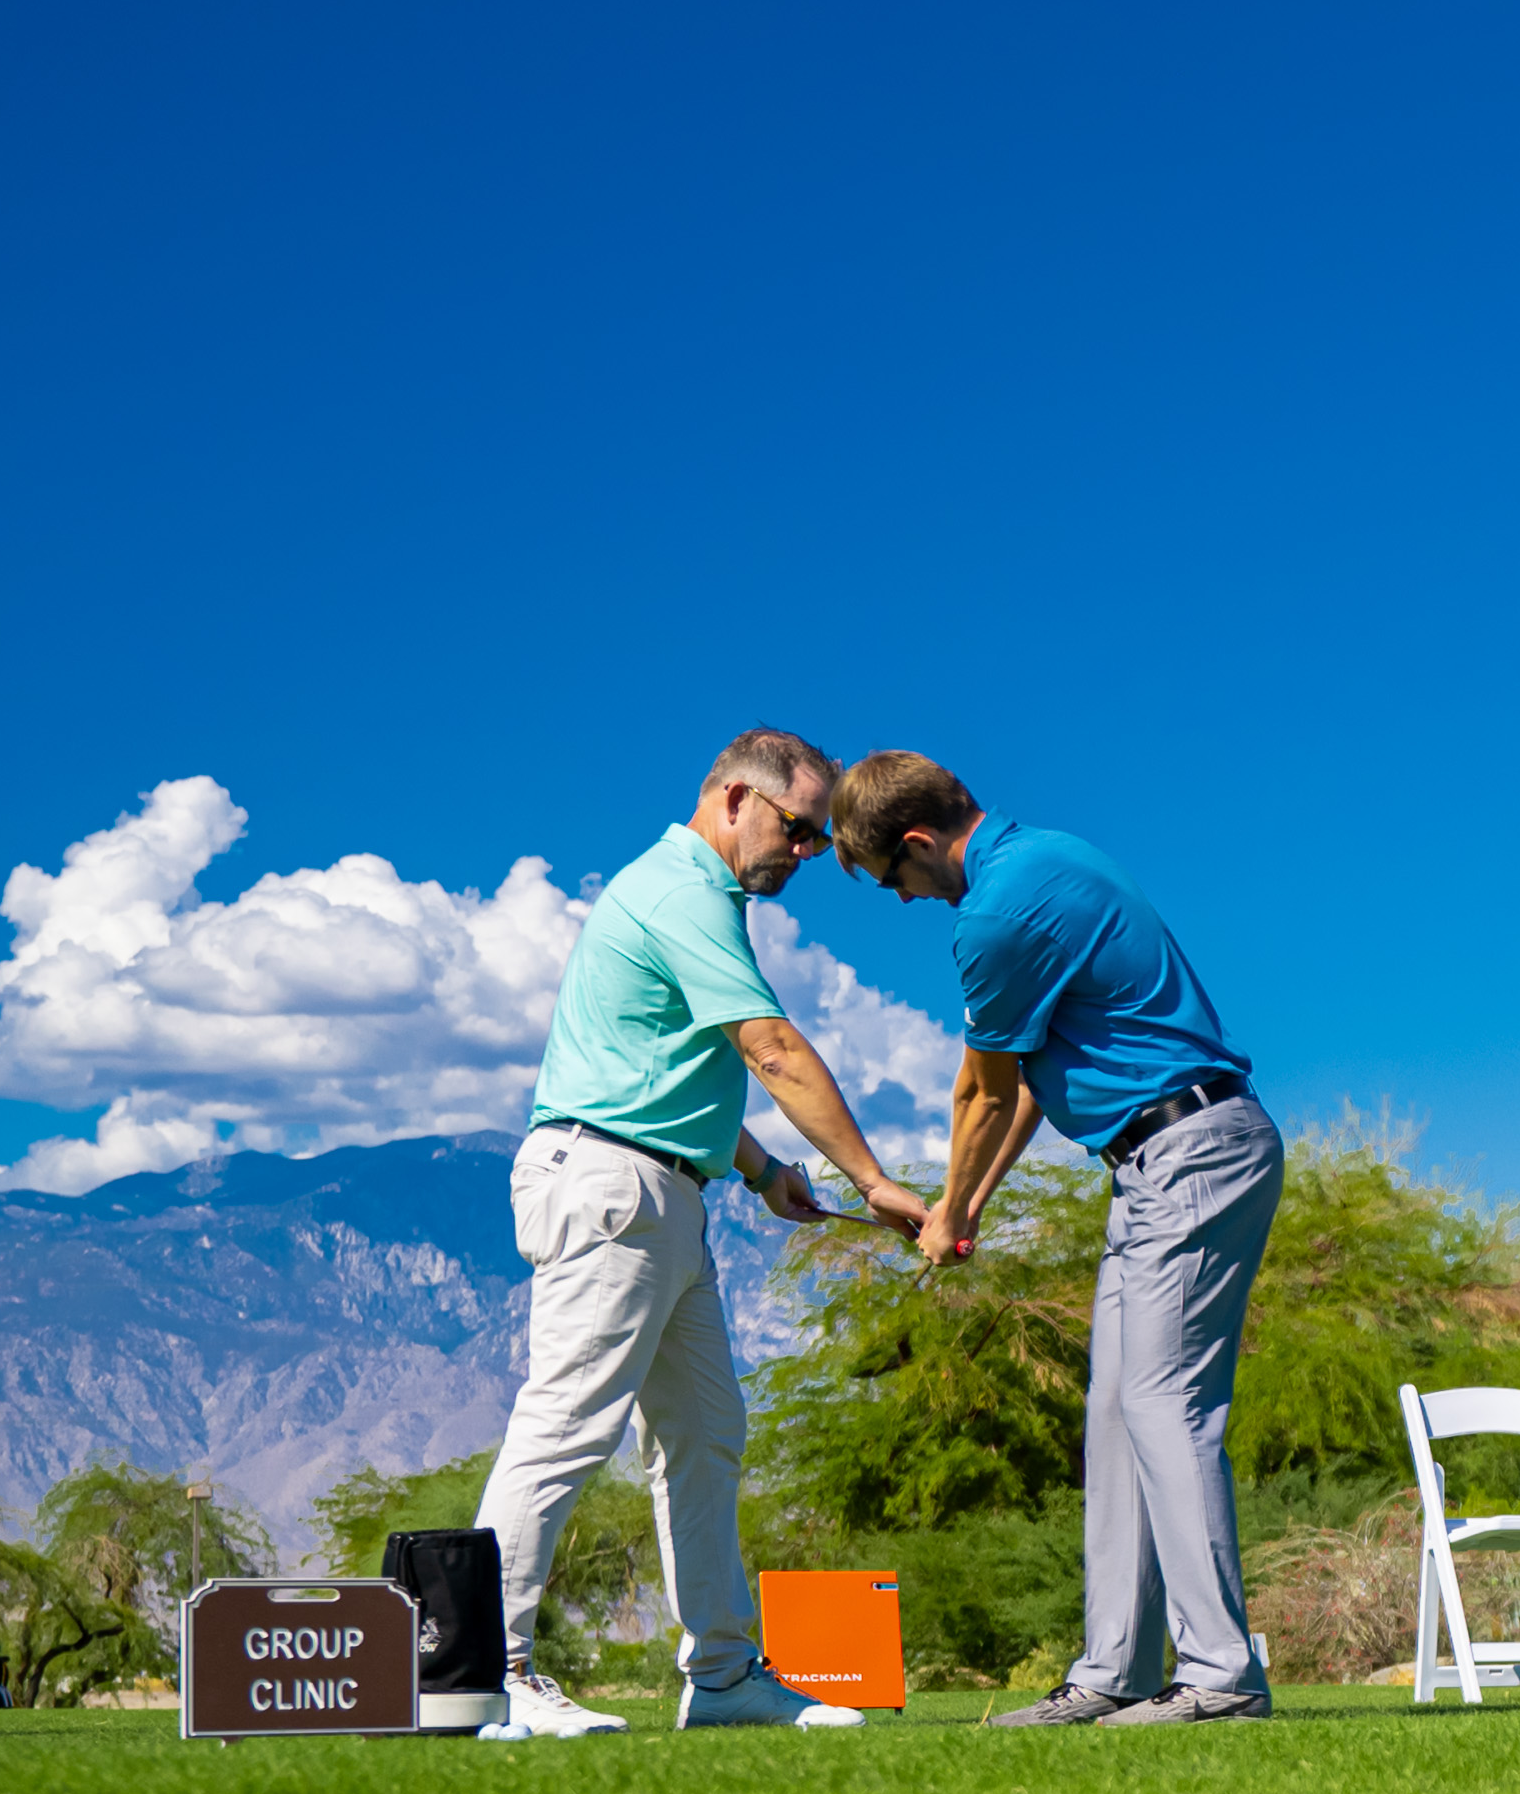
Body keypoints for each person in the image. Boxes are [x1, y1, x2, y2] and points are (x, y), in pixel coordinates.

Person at [469, 729, 922, 1740]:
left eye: (813, 843)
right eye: (796, 830)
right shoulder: (682, 891)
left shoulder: (694, 896)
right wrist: (873, 1181)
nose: (802, 856)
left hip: (665, 1193)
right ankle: (482, 1673)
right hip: (610, 1187)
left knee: (706, 1437)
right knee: (567, 1424)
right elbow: (765, 1045)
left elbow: (679, 1067)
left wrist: (763, 1174)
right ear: (730, 799)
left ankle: (721, 1678)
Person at [838, 751, 1288, 1728]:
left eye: (896, 884)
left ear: (916, 843)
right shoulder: (1050, 855)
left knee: (1166, 1407)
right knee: (1118, 1414)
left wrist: (944, 1210)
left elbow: (982, 1091)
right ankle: (1111, 1674)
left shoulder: (996, 913)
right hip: (1153, 1161)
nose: (907, 901)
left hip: (1191, 1152)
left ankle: (1220, 1678)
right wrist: (974, 1206)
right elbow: (1040, 1080)